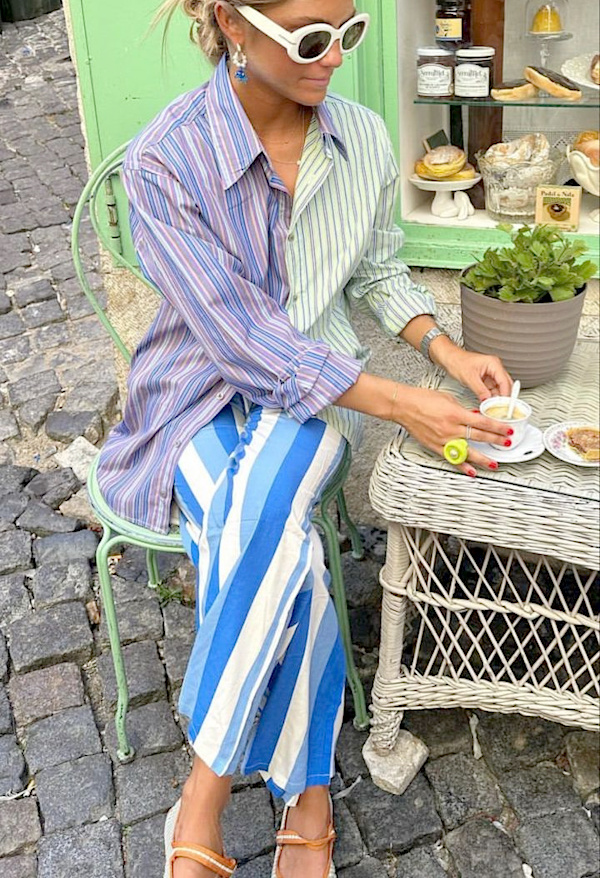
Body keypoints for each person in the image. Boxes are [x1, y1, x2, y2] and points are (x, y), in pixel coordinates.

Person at [96, 1, 514, 875]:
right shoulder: (166, 158)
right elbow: (240, 335)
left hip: (315, 397)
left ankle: (202, 801)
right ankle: (307, 791)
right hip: (195, 397)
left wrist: (447, 350)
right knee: (275, 535)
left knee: (256, 508)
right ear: (233, 24)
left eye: (347, 34)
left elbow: (379, 272)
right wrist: (401, 403)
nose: (334, 59)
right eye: (311, 38)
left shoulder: (360, 138)